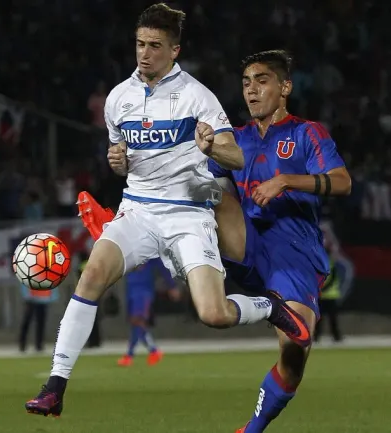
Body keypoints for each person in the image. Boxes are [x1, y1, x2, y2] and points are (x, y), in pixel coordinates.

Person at [25, 4, 311, 418]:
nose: (144, 53)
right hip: (138, 210)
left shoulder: (197, 96)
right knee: (90, 277)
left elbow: (235, 158)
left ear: (174, 50)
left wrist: (213, 145)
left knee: (213, 314)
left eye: (155, 46)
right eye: (140, 44)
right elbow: (124, 157)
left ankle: (270, 306)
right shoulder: (118, 99)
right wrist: (118, 162)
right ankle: (55, 386)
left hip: (188, 213)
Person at [206, 50, 351, 433]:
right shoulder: (234, 141)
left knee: (294, 354)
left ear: (285, 87)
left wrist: (288, 180)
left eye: (262, 80)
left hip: (294, 253)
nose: (251, 91)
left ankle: (251, 430)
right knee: (207, 192)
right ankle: (128, 226)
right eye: (246, 83)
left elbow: (342, 181)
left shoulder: (307, 133)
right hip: (248, 243)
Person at [118, 257, 179, 367]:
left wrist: (172, 286)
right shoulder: (129, 251)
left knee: (138, 321)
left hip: (143, 292)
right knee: (135, 323)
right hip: (131, 291)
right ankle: (151, 352)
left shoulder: (150, 253)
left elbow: (163, 268)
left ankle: (132, 355)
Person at [18, 283, 59, 353]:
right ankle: (22, 344)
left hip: (43, 301)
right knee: (27, 322)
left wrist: (52, 297)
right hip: (31, 300)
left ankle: (39, 345)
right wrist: (26, 296)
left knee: (40, 323)